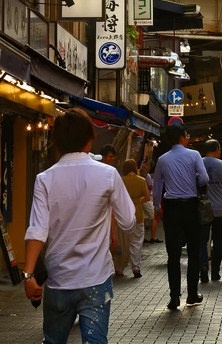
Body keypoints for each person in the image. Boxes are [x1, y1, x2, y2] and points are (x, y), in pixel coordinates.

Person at [23, 109, 137, 344]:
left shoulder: (45, 179)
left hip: (59, 279)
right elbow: (128, 221)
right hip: (96, 277)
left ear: (58, 141)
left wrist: (28, 275)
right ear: (89, 138)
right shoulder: (108, 174)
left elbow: (37, 229)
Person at [152, 121, 209, 310]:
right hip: (191, 207)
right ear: (183, 137)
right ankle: (192, 294)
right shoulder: (194, 155)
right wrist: (192, 179)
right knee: (193, 252)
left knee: (173, 254)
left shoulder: (162, 160)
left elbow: (158, 186)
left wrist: (156, 207)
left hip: (172, 208)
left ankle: (174, 297)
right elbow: (205, 178)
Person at [199, 140, 222, 283]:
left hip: (201, 209)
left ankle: (203, 269)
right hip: (219, 210)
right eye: (220, 149)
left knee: (202, 241)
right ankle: (215, 272)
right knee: (218, 241)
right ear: (216, 149)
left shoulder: (198, 163)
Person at [119, 160, 150, 278]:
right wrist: (137, 201)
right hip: (137, 214)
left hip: (123, 215)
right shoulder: (141, 180)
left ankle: (120, 267)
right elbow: (147, 197)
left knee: (125, 242)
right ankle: (136, 266)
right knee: (136, 242)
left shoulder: (121, 181)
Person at [141, 160, 161, 243]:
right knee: (154, 217)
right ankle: (153, 237)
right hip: (147, 198)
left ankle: (142, 237)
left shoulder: (139, 174)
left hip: (140, 198)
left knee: (144, 218)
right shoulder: (147, 176)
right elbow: (150, 187)